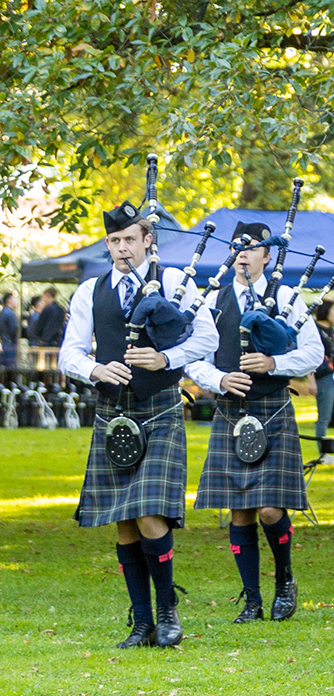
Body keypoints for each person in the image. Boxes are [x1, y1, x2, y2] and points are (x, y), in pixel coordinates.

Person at [60, 202, 219, 648]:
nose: (121, 247)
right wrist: (94, 370)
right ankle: (143, 621)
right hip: (114, 413)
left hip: (161, 407)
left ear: (148, 239)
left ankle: (168, 612)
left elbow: (208, 337)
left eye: (130, 238)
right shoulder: (91, 290)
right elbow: (70, 352)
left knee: (150, 513)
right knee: (124, 521)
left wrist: (166, 357)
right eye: (114, 240)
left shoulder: (175, 282)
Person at [186, 222, 327, 625]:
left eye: (252, 248)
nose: (243, 254)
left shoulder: (285, 296)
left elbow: (313, 353)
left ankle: (284, 579)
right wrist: (219, 380)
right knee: (239, 513)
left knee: (268, 510)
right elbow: (194, 356)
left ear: (268, 255)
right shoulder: (213, 298)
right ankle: (251, 598)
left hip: (273, 407)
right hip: (231, 412)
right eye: (237, 247)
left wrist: (273, 363)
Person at [312, 298, 334, 464]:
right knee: (324, 417)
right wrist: (311, 380)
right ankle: (324, 454)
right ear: (325, 311)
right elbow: (309, 357)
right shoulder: (313, 329)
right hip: (323, 377)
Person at [1, 290, 19, 369]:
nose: (16, 301)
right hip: (10, 344)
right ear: (9, 300)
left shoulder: (3, 312)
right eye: (14, 299)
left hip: (4, 343)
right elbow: (14, 329)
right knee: (10, 369)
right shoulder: (10, 314)